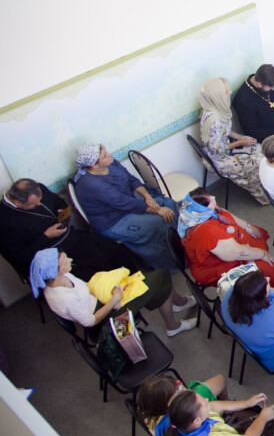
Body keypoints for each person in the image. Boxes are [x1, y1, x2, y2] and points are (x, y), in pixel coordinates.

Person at [31, 248, 196, 336]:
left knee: (154, 282)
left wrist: (110, 288)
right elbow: (90, 322)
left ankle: (177, 305)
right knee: (162, 276)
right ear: (54, 272)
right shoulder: (63, 298)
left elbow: (85, 288)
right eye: (65, 261)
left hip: (101, 300)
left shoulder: (61, 276)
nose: (70, 260)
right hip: (105, 320)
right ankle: (173, 323)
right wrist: (114, 299)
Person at [0, 178, 135, 281]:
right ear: (17, 203)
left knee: (114, 248)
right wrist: (46, 236)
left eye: (39, 200)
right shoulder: (4, 221)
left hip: (73, 237)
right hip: (53, 257)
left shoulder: (38, 188)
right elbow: (20, 258)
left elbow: (59, 202)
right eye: (33, 204)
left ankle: (137, 285)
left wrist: (62, 211)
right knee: (99, 270)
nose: (39, 204)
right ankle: (122, 303)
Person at [72, 143, 180, 271]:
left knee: (169, 204)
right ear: (95, 165)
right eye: (105, 155)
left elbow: (131, 179)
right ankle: (166, 264)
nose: (110, 154)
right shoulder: (91, 184)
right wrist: (158, 210)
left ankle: (176, 247)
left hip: (129, 200)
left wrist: (148, 197)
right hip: (113, 221)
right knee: (160, 222)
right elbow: (122, 202)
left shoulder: (111, 164)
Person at [178, 188, 274, 288]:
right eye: (209, 200)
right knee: (266, 267)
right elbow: (239, 253)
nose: (213, 197)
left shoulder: (197, 213)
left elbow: (225, 213)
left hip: (228, 247)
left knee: (257, 234)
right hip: (216, 265)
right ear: (201, 209)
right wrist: (262, 254)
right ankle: (265, 291)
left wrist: (247, 227)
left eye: (209, 195)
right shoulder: (208, 232)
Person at [199, 77, 270, 206]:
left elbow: (224, 131)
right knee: (258, 161)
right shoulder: (214, 120)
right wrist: (239, 143)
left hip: (226, 147)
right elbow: (217, 149)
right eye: (226, 91)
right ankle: (264, 197)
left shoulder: (215, 107)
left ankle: (268, 186)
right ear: (217, 96)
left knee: (261, 148)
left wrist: (240, 137)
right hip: (218, 158)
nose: (230, 92)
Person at [136, 373, 250, 434]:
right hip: (208, 422)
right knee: (220, 380)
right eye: (178, 391)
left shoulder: (150, 412)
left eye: (179, 385)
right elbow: (213, 406)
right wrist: (246, 403)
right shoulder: (189, 415)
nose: (185, 389)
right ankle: (228, 405)